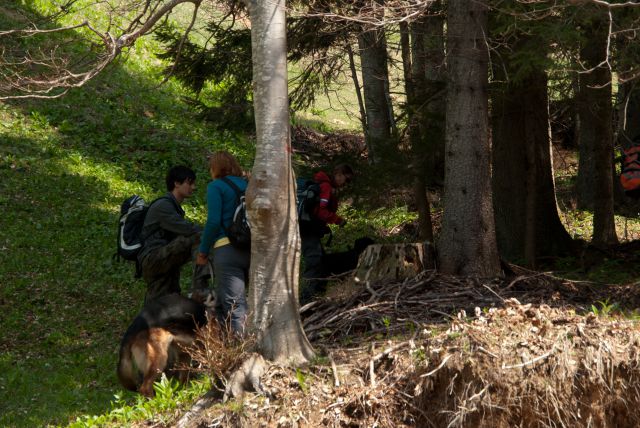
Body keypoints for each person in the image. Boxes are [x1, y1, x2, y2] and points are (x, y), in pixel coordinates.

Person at [196, 151, 250, 336]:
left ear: (215, 168)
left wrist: (203, 252)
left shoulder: (216, 187)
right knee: (243, 300)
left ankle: (240, 351)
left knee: (234, 305)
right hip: (252, 248)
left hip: (227, 251)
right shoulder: (247, 185)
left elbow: (213, 222)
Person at [138, 165, 202, 303]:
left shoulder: (173, 207)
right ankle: (200, 284)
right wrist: (211, 231)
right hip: (153, 258)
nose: (193, 187)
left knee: (160, 301)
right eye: (189, 183)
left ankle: (145, 323)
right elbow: (188, 230)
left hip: (159, 258)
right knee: (199, 236)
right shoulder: (164, 206)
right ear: (176, 183)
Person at [299, 164, 353, 305]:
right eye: (345, 179)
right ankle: (306, 301)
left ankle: (317, 297)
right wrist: (338, 220)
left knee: (321, 261)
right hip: (308, 229)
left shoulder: (323, 185)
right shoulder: (326, 187)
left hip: (308, 228)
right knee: (314, 261)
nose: (344, 183)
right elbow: (321, 211)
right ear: (338, 174)